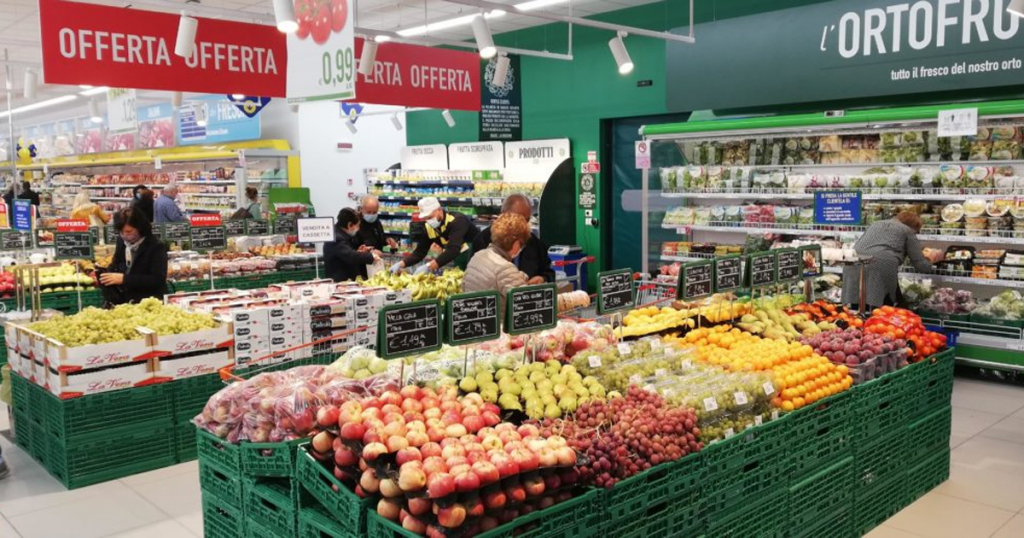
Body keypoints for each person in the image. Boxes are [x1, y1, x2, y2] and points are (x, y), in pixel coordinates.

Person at [842, 211, 933, 310]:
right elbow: (921, 265)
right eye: (917, 230)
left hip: (853, 261)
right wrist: (933, 259)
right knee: (884, 306)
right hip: (880, 265)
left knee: (857, 299)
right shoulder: (908, 231)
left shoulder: (876, 224)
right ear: (913, 226)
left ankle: (858, 317)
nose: (917, 233)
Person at [472, 193, 554, 284]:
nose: (523, 225)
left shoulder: (534, 243)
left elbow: (548, 271)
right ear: (503, 215)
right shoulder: (482, 240)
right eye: (518, 219)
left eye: (527, 220)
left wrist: (543, 278)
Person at [463, 213, 531, 314]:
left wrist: (519, 276)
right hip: (498, 322)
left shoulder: (477, 256)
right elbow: (527, 303)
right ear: (516, 244)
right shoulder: (504, 268)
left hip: (474, 318)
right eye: (522, 245)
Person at [99, 207, 168, 305]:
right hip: (126, 302)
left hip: (149, 302)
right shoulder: (121, 241)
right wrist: (106, 273)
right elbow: (116, 262)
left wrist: (124, 279)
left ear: (140, 228)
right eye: (121, 232)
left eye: (129, 231)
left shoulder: (156, 246)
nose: (124, 235)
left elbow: (158, 280)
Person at [392, 197, 479, 274]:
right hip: (458, 258)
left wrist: (429, 266)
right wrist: (401, 264)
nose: (429, 221)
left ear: (439, 209)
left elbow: (453, 249)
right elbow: (420, 252)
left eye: (430, 217)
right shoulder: (429, 227)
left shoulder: (457, 220)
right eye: (426, 218)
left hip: (475, 257)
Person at [324, 208, 381, 282]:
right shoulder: (336, 238)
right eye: (358, 225)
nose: (358, 228)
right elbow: (351, 256)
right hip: (341, 280)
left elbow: (345, 253)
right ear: (349, 225)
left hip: (348, 278)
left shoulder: (341, 234)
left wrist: (359, 251)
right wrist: (371, 256)